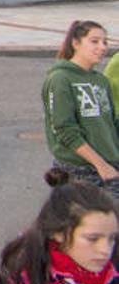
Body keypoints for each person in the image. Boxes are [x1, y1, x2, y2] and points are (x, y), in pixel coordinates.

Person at [2, 168, 119, 284]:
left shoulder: (34, 251)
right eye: (93, 239)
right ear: (58, 233)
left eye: (112, 238)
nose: (106, 250)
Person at [44, 20, 119, 200]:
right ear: (76, 43)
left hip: (110, 163)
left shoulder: (100, 81)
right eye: (94, 41)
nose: (102, 47)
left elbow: (111, 124)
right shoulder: (60, 78)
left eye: (104, 42)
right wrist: (100, 165)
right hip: (80, 169)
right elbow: (64, 129)